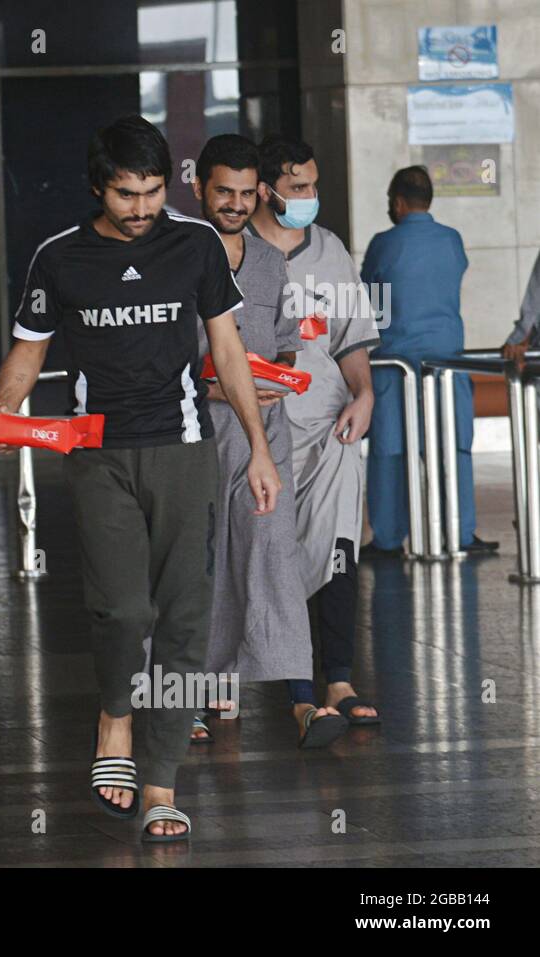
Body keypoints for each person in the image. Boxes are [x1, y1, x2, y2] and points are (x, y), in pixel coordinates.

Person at [0, 116, 280, 841]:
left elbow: (227, 347)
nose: (143, 208)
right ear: (98, 188)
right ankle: (115, 711)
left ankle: (160, 781)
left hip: (183, 451)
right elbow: (28, 352)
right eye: (127, 195)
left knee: (185, 620)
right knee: (122, 610)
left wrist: (258, 446)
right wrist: (3, 411)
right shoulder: (59, 258)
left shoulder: (196, 244)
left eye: (153, 192)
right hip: (99, 454)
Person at [248, 135, 382, 731]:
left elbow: (351, 339)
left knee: (337, 547)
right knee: (275, 552)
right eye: (297, 187)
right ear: (265, 190)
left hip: (330, 428)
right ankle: (299, 689)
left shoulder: (330, 251)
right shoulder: (236, 253)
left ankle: (341, 679)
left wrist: (365, 393)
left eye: (313, 185)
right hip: (262, 430)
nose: (309, 197)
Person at [187, 134, 314, 744]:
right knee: (196, 564)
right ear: (199, 189)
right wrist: (217, 390)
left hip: (267, 433)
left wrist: (277, 372)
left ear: (259, 193)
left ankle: (299, 693)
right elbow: (163, 357)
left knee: (268, 549)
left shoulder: (268, 260)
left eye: (245, 193)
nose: (235, 204)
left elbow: (286, 335)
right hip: (193, 433)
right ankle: (190, 693)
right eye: (223, 192)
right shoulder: (177, 257)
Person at [360, 168, 495, 554]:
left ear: (398, 202)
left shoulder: (384, 244)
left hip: (394, 364)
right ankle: (460, 533)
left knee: (390, 451)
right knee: (454, 449)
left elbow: (372, 302)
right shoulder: (452, 240)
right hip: (445, 363)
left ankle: (387, 538)